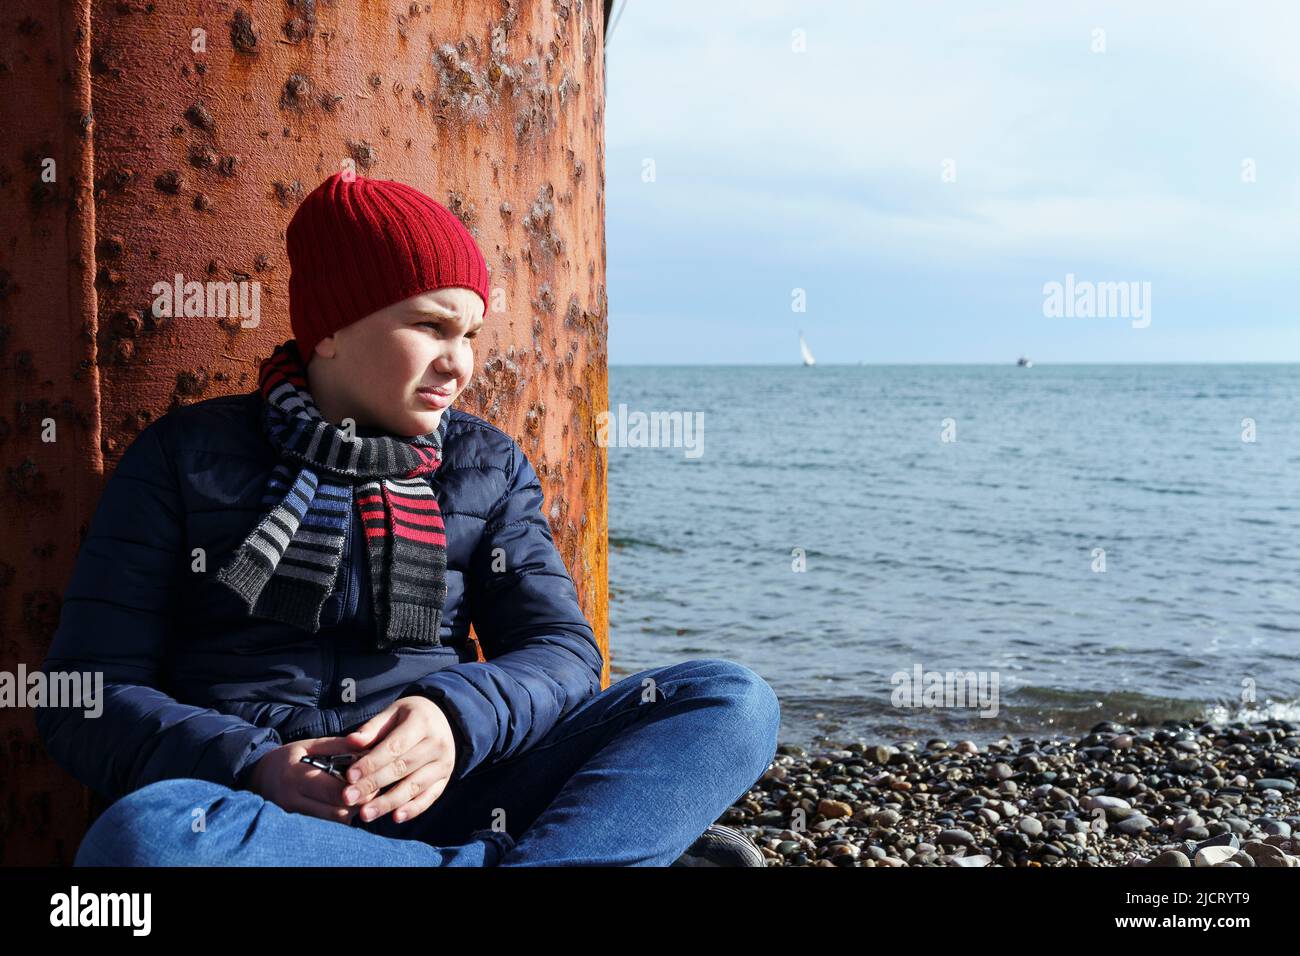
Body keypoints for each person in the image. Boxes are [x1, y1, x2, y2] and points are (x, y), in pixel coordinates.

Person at [34, 172, 780, 866]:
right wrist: (250, 762)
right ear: (330, 328)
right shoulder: (185, 457)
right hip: (274, 812)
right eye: (431, 327)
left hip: (464, 786)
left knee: (728, 699)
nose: (460, 363)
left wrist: (453, 721)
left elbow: (562, 653)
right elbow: (85, 695)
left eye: (471, 336)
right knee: (146, 839)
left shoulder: (485, 465)